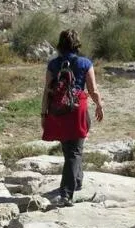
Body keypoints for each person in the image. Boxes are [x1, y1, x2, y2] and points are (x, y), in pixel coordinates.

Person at [41, 29, 104, 206]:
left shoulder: (53, 65)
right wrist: (99, 105)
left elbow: (47, 90)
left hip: (58, 110)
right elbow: (93, 90)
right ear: (77, 44)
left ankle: (77, 180)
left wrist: (43, 113)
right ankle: (66, 194)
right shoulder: (85, 63)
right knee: (74, 150)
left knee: (70, 149)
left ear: (60, 45)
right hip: (78, 109)